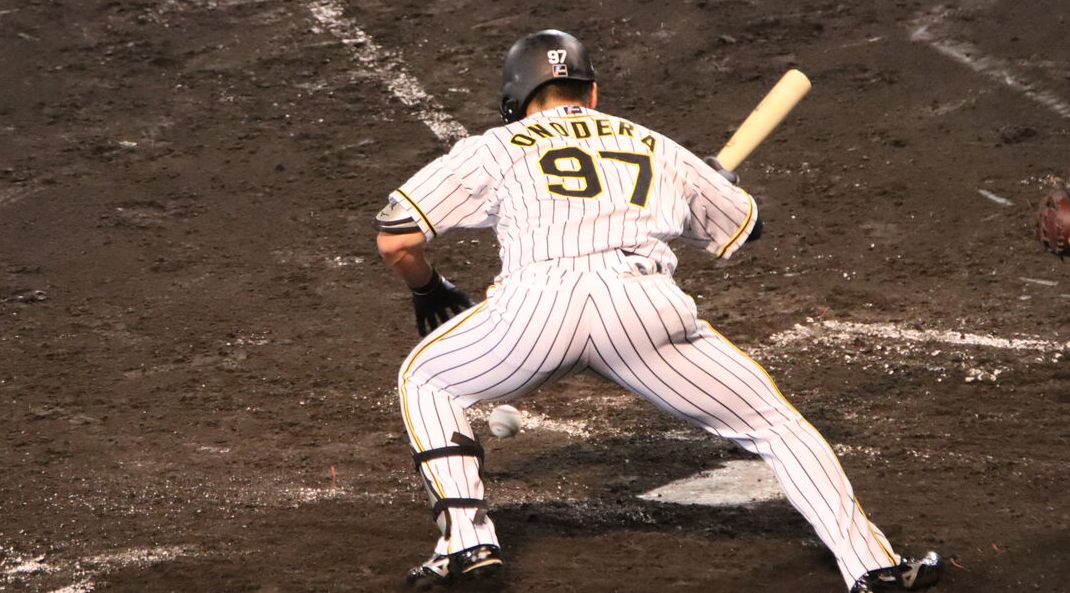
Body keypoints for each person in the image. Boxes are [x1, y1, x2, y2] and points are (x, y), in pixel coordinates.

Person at [374, 30, 943, 592]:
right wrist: (713, 181)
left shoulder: (494, 147)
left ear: (514, 99)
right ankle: (873, 567)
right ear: (592, 93)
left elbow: (396, 238)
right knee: (775, 426)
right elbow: (746, 227)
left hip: (536, 312)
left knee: (427, 380)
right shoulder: (657, 146)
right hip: (644, 311)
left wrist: (430, 288)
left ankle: (466, 544)